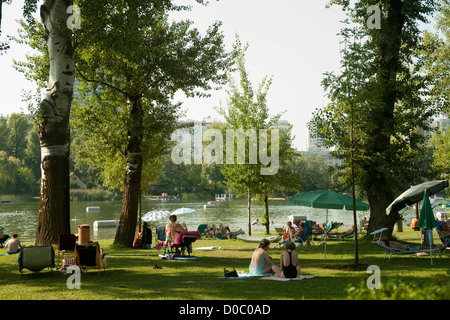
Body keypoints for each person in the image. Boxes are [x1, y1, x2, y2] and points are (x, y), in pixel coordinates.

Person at [375, 237, 447, 252]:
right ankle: (438, 248)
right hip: (406, 249)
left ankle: (436, 248)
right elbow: (385, 239)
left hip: (407, 247)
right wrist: (379, 239)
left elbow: (385, 239)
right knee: (421, 247)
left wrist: (378, 239)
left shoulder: (387, 243)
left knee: (422, 247)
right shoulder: (387, 244)